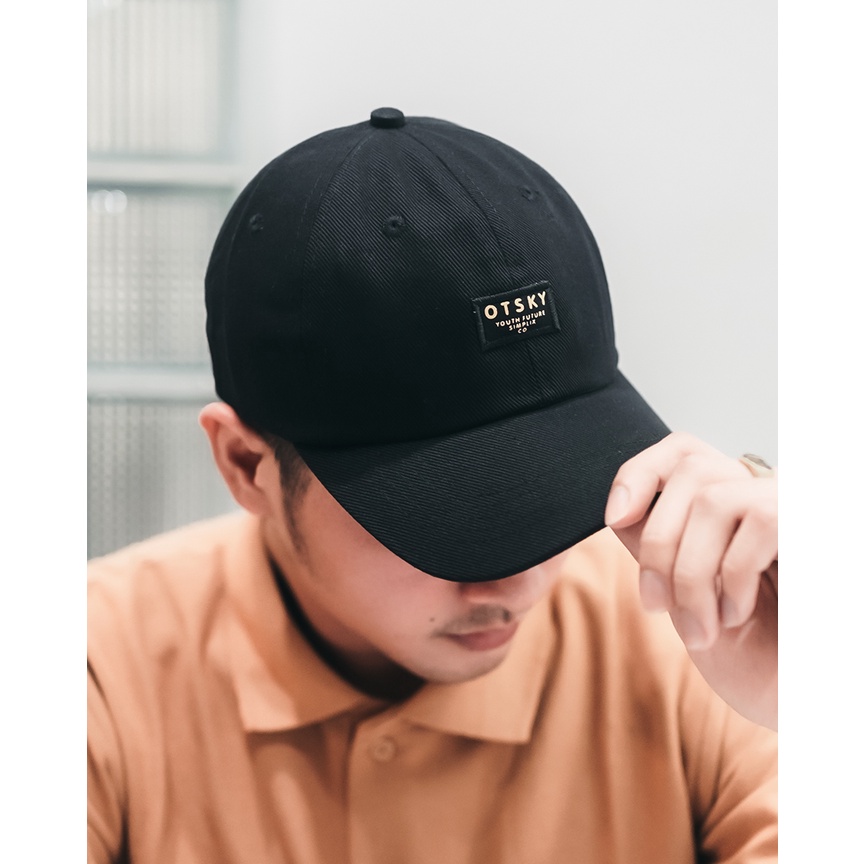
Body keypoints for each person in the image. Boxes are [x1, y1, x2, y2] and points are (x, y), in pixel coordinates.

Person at [87, 108, 778, 864]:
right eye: (450, 517)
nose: (520, 580)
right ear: (246, 465)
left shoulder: (702, 630)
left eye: (557, 489)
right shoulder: (102, 664)